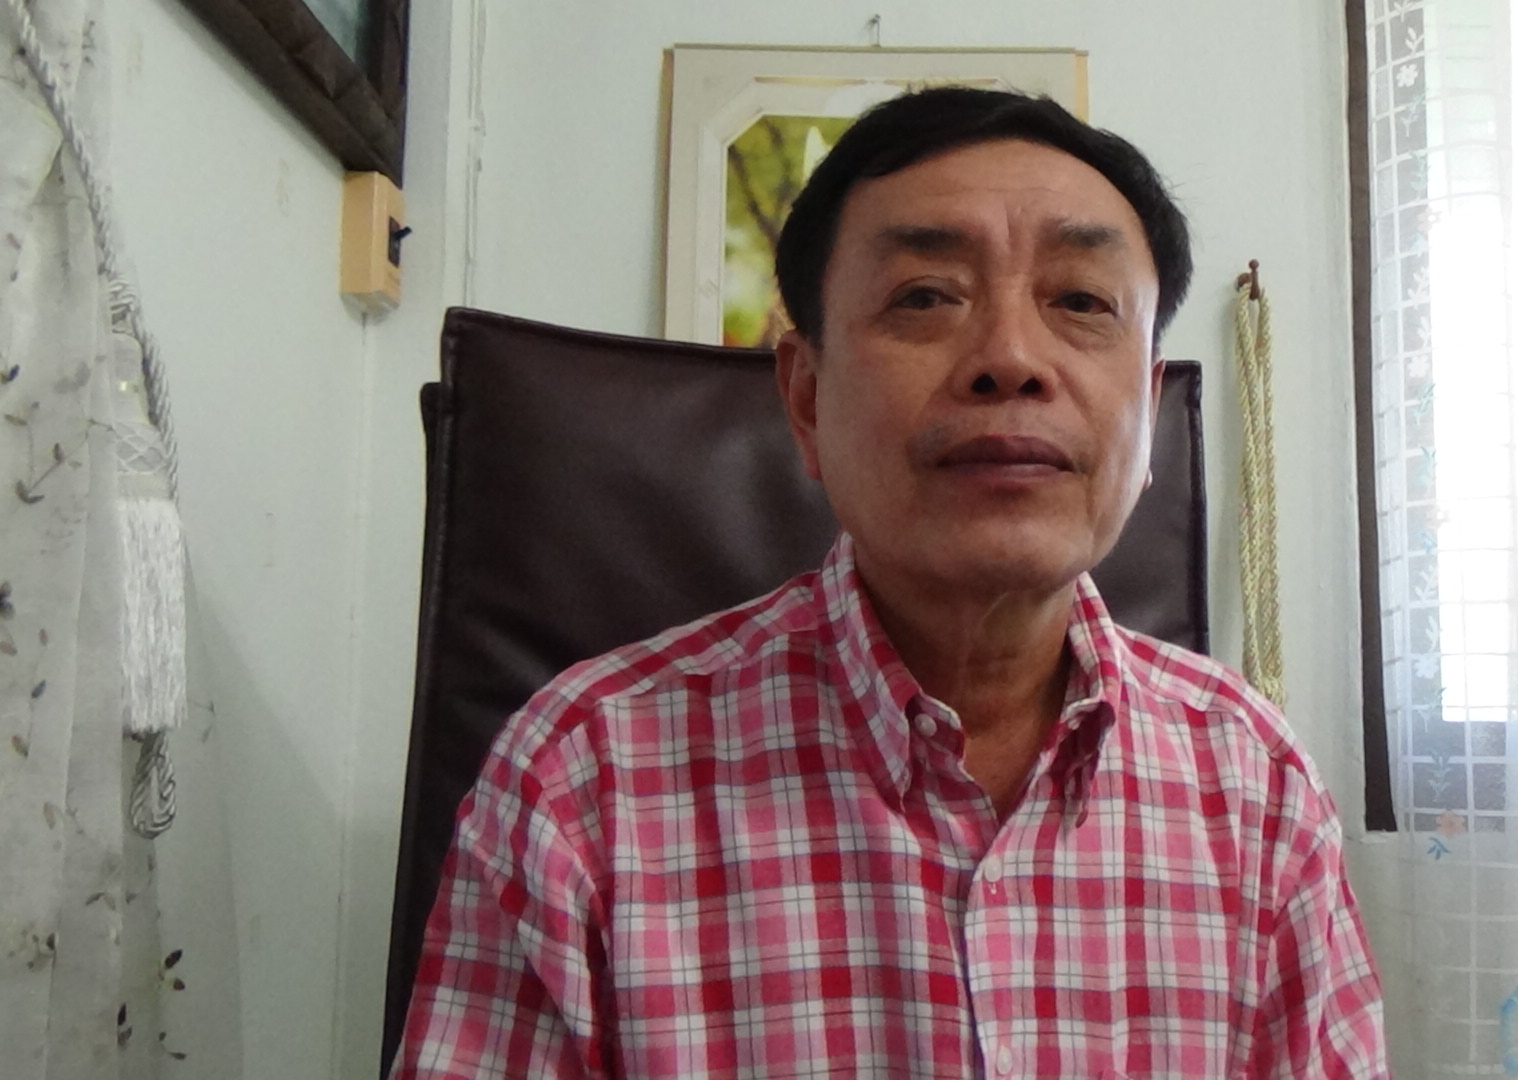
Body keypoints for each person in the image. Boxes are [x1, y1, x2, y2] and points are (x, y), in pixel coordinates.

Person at [390, 87, 1388, 1079]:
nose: (1010, 358)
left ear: (1150, 407)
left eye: (1081, 302)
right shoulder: (580, 783)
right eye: (924, 297)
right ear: (806, 398)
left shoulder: (1257, 789)